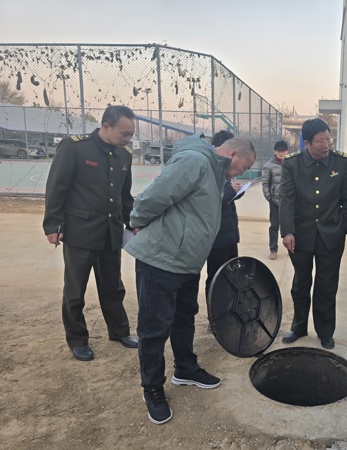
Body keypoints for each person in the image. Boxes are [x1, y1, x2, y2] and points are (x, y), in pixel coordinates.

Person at [124, 134, 255, 425]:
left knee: (184, 318)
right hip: (161, 258)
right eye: (243, 167)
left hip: (187, 262)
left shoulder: (215, 171)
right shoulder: (195, 161)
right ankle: (152, 387)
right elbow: (155, 196)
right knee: (154, 328)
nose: (241, 174)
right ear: (233, 153)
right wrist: (136, 221)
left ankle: (185, 368)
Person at [43, 105, 139, 362]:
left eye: (131, 134)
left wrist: (132, 223)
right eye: (125, 134)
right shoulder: (75, 147)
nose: (128, 139)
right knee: (75, 290)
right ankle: (77, 339)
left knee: (113, 286)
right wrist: (53, 225)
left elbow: (124, 196)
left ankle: (119, 331)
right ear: (106, 126)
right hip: (80, 233)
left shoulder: (124, 156)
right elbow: (56, 187)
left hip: (110, 233)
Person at [279, 118, 347, 350]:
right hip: (300, 236)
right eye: (321, 141)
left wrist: (342, 228)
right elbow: (287, 199)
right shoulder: (292, 164)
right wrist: (287, 231)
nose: (326, 145)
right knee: (300, 283)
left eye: (328, 139)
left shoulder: (341, 162)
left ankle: (325, 331)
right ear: (307, 143)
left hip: (331, 235)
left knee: (327, 285)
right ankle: (299, 326)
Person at [204, 130, 241, 306]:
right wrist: (228, 192)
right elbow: (210, 201)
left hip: (229, 234)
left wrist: (235, 192)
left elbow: (224, 198)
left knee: (231, 276)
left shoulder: (223, 170)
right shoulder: (209, 168)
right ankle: (215, 314)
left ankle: (227, 311)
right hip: (217, 238)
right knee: (216, 278)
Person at [261, 140, 289, 260]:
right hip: (275, 201)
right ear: (275, 152)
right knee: (274, 226)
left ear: (287, 151)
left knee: (290, 225)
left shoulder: (291, 163)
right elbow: (265, 183)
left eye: (283, 151)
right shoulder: (269, 166)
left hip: (288, 201)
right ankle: (273, 249)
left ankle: (291, 248)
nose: (281, 153)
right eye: (279, 151)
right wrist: (269, 197)